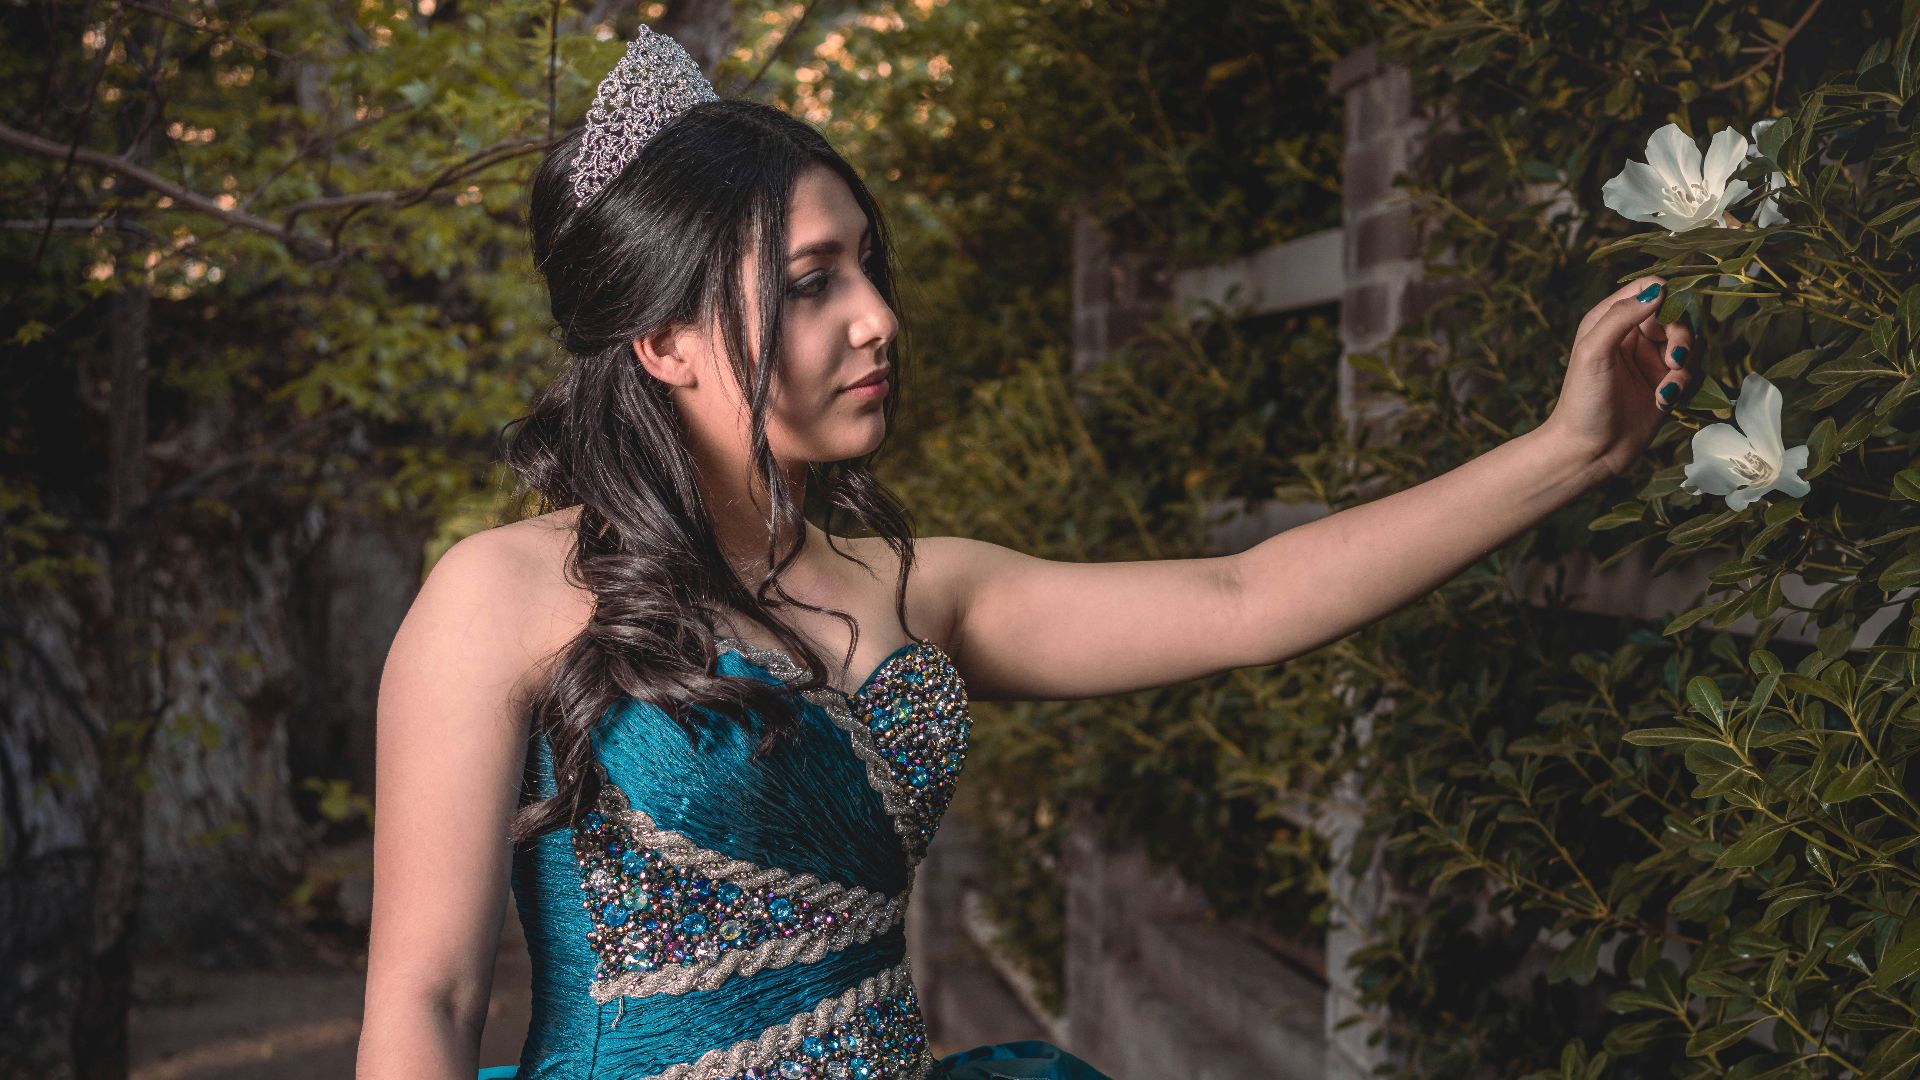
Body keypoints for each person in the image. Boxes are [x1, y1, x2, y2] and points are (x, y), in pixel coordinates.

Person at [353, 24, 1698, 1080]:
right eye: (815, 280)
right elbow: (423, 1000)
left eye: (869, 266)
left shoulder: (918, 583)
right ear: (664, 340)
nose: (880, 317)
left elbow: (1248, 597)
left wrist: (1569, 448)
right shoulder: (503, 592)